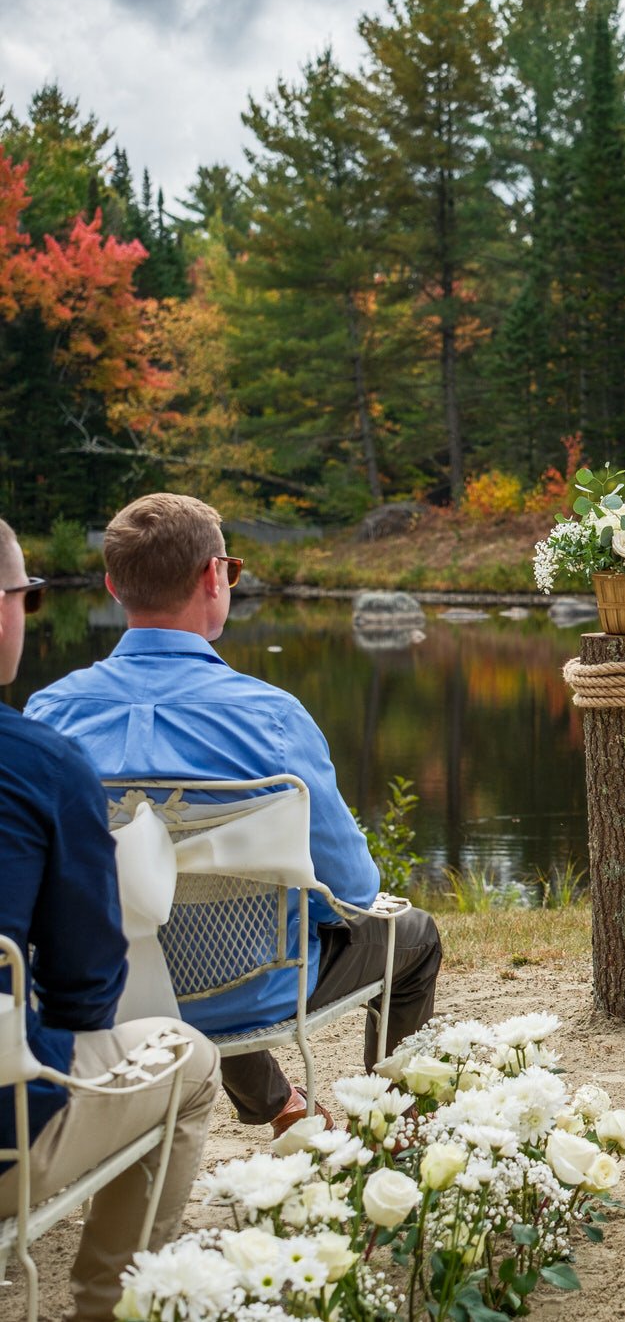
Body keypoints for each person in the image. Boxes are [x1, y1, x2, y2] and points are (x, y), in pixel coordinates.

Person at [27, 493, 441, 1133]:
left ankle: (279, 1104)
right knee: (412, 938)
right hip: (250, 991)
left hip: (111, 992)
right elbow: (351, 892)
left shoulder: (49, 716)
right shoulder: (271, 719)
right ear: (213, 576)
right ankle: (387, 1129)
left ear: (112, 586)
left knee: (166, 927)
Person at [0, 515, 222, 1320]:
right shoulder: (37, 761)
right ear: (2, 610)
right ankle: (108, 1304)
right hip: (5, 1137)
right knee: (189, 1064)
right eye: (25, 596)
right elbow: (88, 990)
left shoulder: (55, 711)